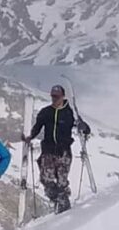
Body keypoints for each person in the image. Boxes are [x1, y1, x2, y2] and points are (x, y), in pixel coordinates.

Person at [24, 84, 91, 212]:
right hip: (48, 152)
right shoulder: (45, 112)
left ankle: (64, 208)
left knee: (62, 182)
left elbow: (84, 127)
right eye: (53, 96)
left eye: (57, 96)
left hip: (63, 152)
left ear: (63, 96)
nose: (54, 99)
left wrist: (84, 128)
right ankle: (58, 201)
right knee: (46, 179)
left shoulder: (69, 113)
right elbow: (37, 127)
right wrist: (30, 136)